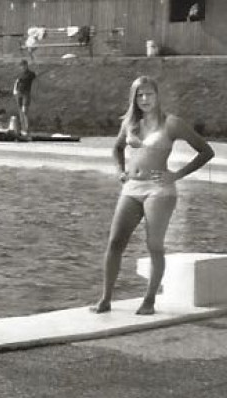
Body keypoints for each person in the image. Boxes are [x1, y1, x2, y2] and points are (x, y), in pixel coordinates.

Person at [91, 76, 216, 315]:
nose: (145, 99)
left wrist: (176, 175)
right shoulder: (129, 123)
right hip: (132, 187)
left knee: (154, 245)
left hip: (159, 189)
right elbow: (117, 148)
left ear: (157, 96)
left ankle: (149, 301)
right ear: (134, 99)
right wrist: (120, 172)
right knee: (115, 242)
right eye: (140, 95)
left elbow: (206, 151)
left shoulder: (172, 124)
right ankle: (105, 299)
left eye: (149, 94)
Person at [13, 59, 36, 139]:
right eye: (21, 66)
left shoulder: (30, 74)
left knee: (24, 111)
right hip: (18, 93)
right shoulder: (20, 74)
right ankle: (22, 129)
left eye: (24, 66)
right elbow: (17, 82)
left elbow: (33, 79)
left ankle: (27, 129)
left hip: (26, 94)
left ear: (26, 66)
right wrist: (15, 91)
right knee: (20, 112)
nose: (23, 67)